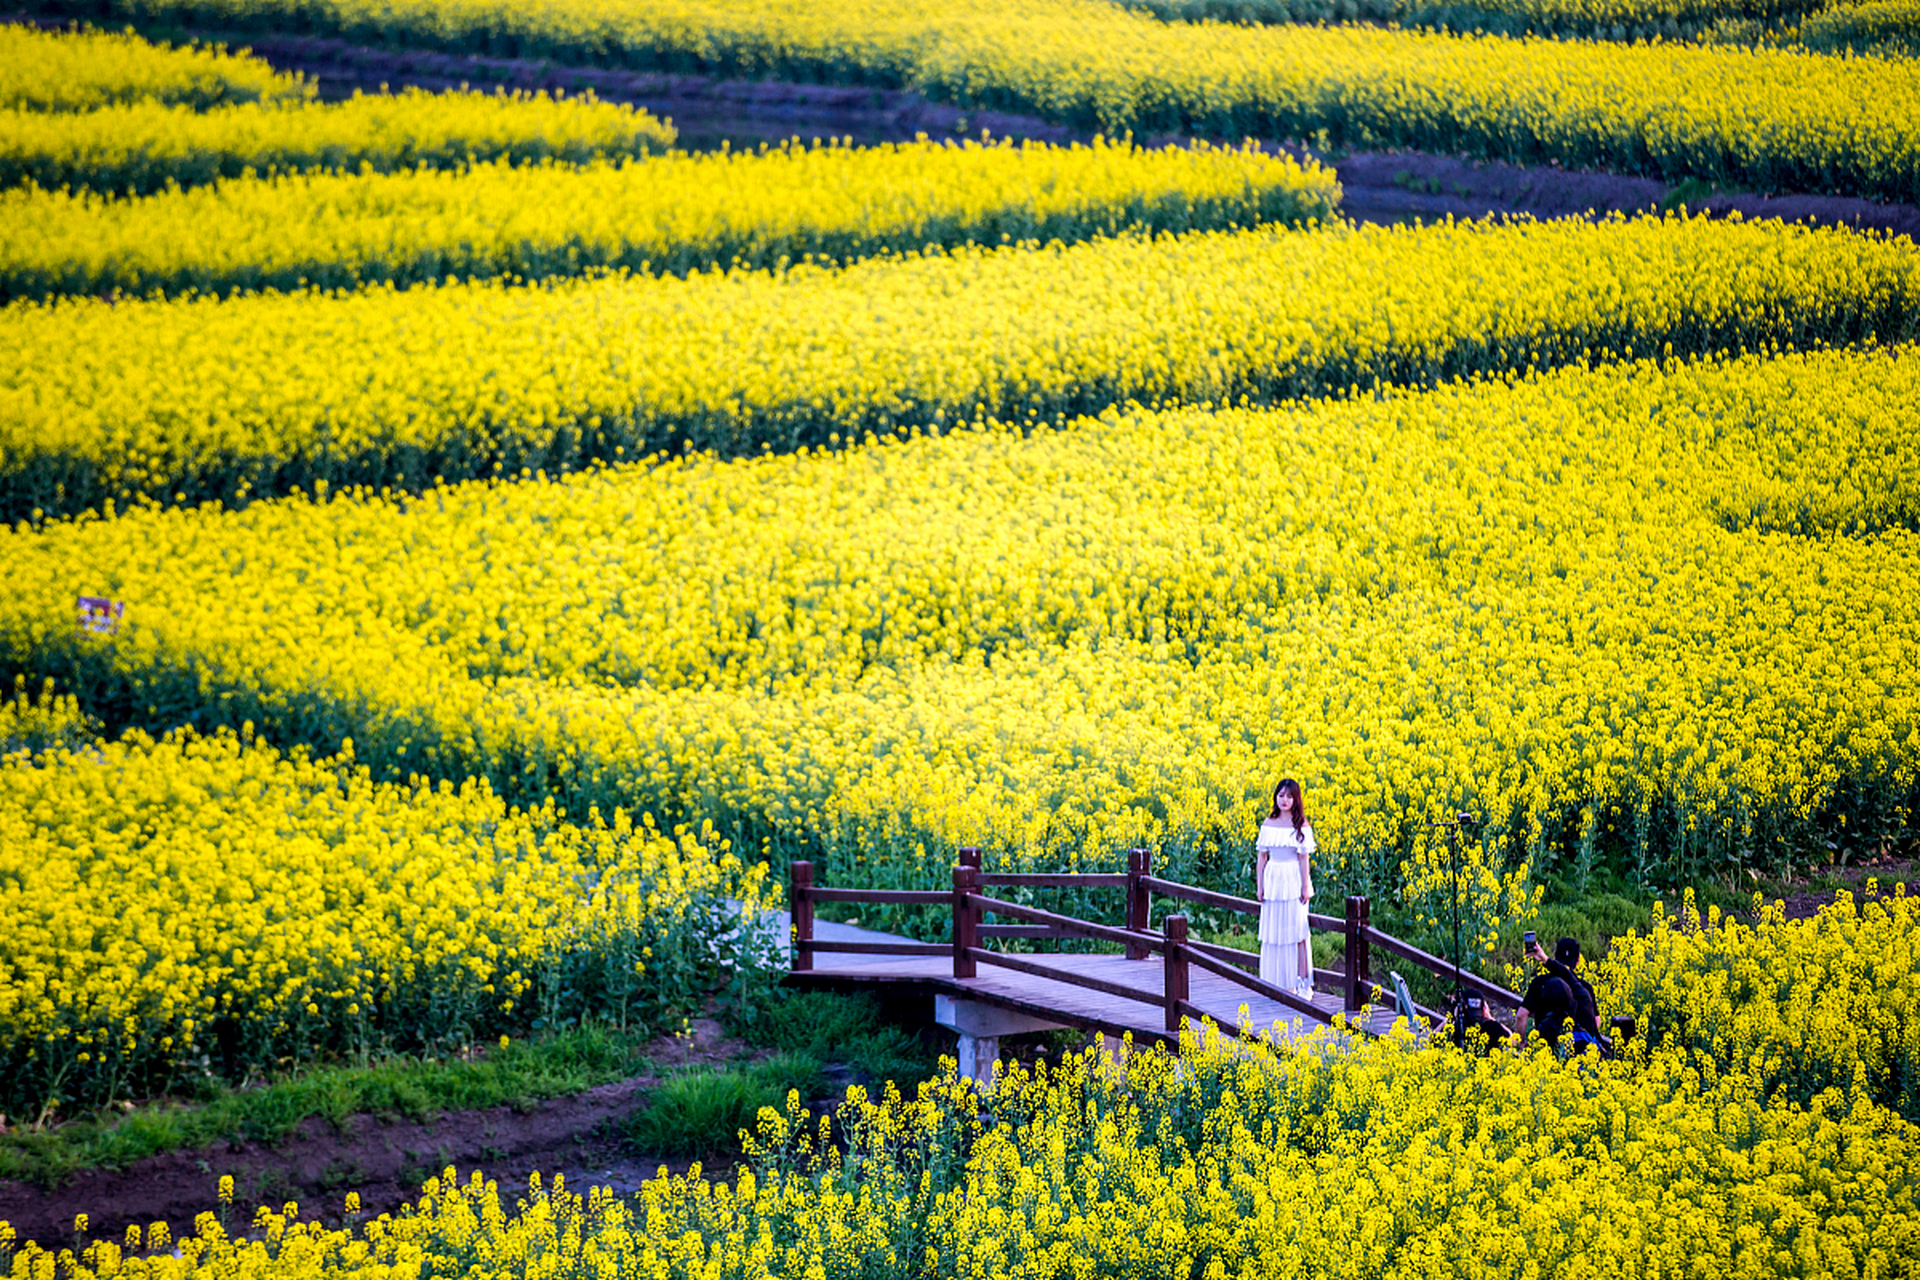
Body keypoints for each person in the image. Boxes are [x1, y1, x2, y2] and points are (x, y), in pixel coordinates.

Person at [1255, 778, 1315, 998]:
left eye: (1289, 796)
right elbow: (1262, 857)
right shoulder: (1268, 823)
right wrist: (1259, 887)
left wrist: (1305, 886)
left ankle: (1302, 983)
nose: (1284, 800)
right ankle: (1275, 983)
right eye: (1281, 795)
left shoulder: (1302, 825)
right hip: (1273, 880)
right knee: (1274, 931)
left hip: (1293, 879)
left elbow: (1303, 859)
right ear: (1275, 797)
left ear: (1295, 799)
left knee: (1298, 930)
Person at [1528, 936, 1612, 1058]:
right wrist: (1545, 959)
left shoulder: (1546, 1027)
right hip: (1590, 1062)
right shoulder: (1583, 998)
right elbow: (1569, 977)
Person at [1451, 990, 1511, 1054]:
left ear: (1462, 1008)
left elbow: (1439, 1035)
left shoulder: (1457, 1027)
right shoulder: (1493, 1027)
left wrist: (1453, 1017)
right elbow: (1512, 1039)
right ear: (1484, 1008)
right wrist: (1489, 1017)